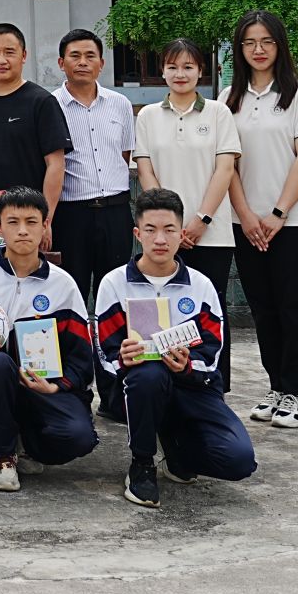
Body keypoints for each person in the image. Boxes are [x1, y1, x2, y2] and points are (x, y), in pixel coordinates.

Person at [94, 187, 256, 509]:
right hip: (137, 387)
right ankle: (142, 463)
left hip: (193, 387)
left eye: (169, 230)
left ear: (182, 234)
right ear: (137, 234)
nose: (160, 239)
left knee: (238, 461)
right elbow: (105, 351)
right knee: (148, 374)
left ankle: (175, 448)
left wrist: (187, 365)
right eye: (151, 230)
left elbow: (213, 351)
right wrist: (123, 359)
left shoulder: (200, 286)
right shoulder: (114, 283)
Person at [0, 187, 97, 491]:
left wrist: (57, 386)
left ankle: (26, 444)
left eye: (31, 222)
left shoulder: (63, 285)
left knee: (79, 437)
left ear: (45, 226)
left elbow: (82, 358)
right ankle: (2, 454)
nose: (22, 231)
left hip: (40, 387)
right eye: (13, 222)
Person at [223, 9, 298, 429]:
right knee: (263, 308)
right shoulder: (229, 99)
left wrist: (279, 213)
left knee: (294, 307)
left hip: (295, 223)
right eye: (250, 42)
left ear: (280, 45)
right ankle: (276, 386)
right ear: (239, 49)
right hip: (246, 223)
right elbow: (226, 165)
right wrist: (247, 216)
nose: (258, 49)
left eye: (266, 41)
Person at [132, 37, 241, 391]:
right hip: (164, 236)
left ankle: (213, 384)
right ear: (162, 71)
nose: (180, 74)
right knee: (163, 307)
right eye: (172, 66)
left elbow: (224, 170)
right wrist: (169, 228)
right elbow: (146, 171)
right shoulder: (148, 116)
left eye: (188, 67)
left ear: (201, 71)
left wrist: (200, 220)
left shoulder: (218, 113)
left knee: (210, 310)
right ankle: (166, 382)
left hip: (212, 231)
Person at [50, 28, 138, 421]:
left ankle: (115, 393)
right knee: (70, 302)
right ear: (61, 62)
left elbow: (125, 156)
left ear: (102, 63)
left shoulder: (120, 104)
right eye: (75, 55)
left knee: (114, 303)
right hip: (71, 214)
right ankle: (74, 390)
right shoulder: (50, 105)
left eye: (90, 55)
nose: (83, 62)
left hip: (116, 212)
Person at [0, 22, 70, 209]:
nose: (1, 60)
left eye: (9, 52)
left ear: (24, 56)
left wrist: (45, 216)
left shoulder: (42, 102)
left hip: (27, 214)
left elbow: (56, 164)